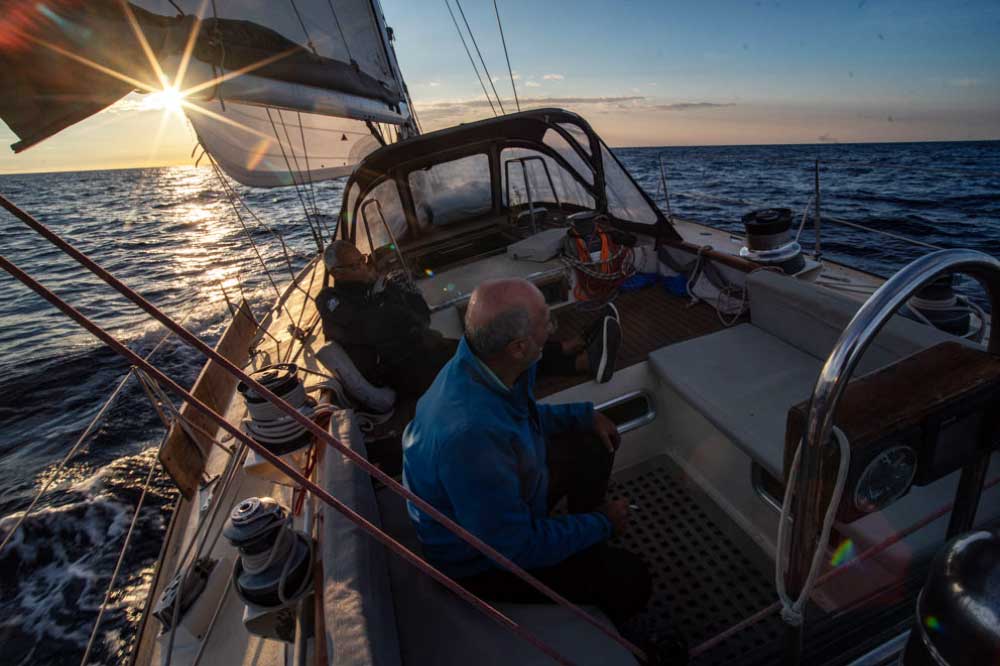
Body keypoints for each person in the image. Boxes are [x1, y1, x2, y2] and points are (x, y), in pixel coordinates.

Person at [401, 278, 651, 626]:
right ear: (518, 347)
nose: (553, 329)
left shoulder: (484, 366)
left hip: (506, 502)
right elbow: (512, 548)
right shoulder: (470, 435)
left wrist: (582, 415)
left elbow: (519, 420)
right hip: (479, 561)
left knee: (593, 440)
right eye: (546, 322)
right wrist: (603, 523)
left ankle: (583, 537)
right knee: (632, 580)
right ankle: (593, 550)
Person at [315, 241, 622, 400]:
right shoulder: (332, 301)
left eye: (364, 259)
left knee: (489, 343)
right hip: (402, 373)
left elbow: (419, 317)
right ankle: (580, 363)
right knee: (494, 358)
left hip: (421, 350)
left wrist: (393, 290)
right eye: (356, 265)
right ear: (338, 274)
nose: (365, 267)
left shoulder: (377, 288)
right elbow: (374, 327)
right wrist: (384, 295)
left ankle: (571, 345)